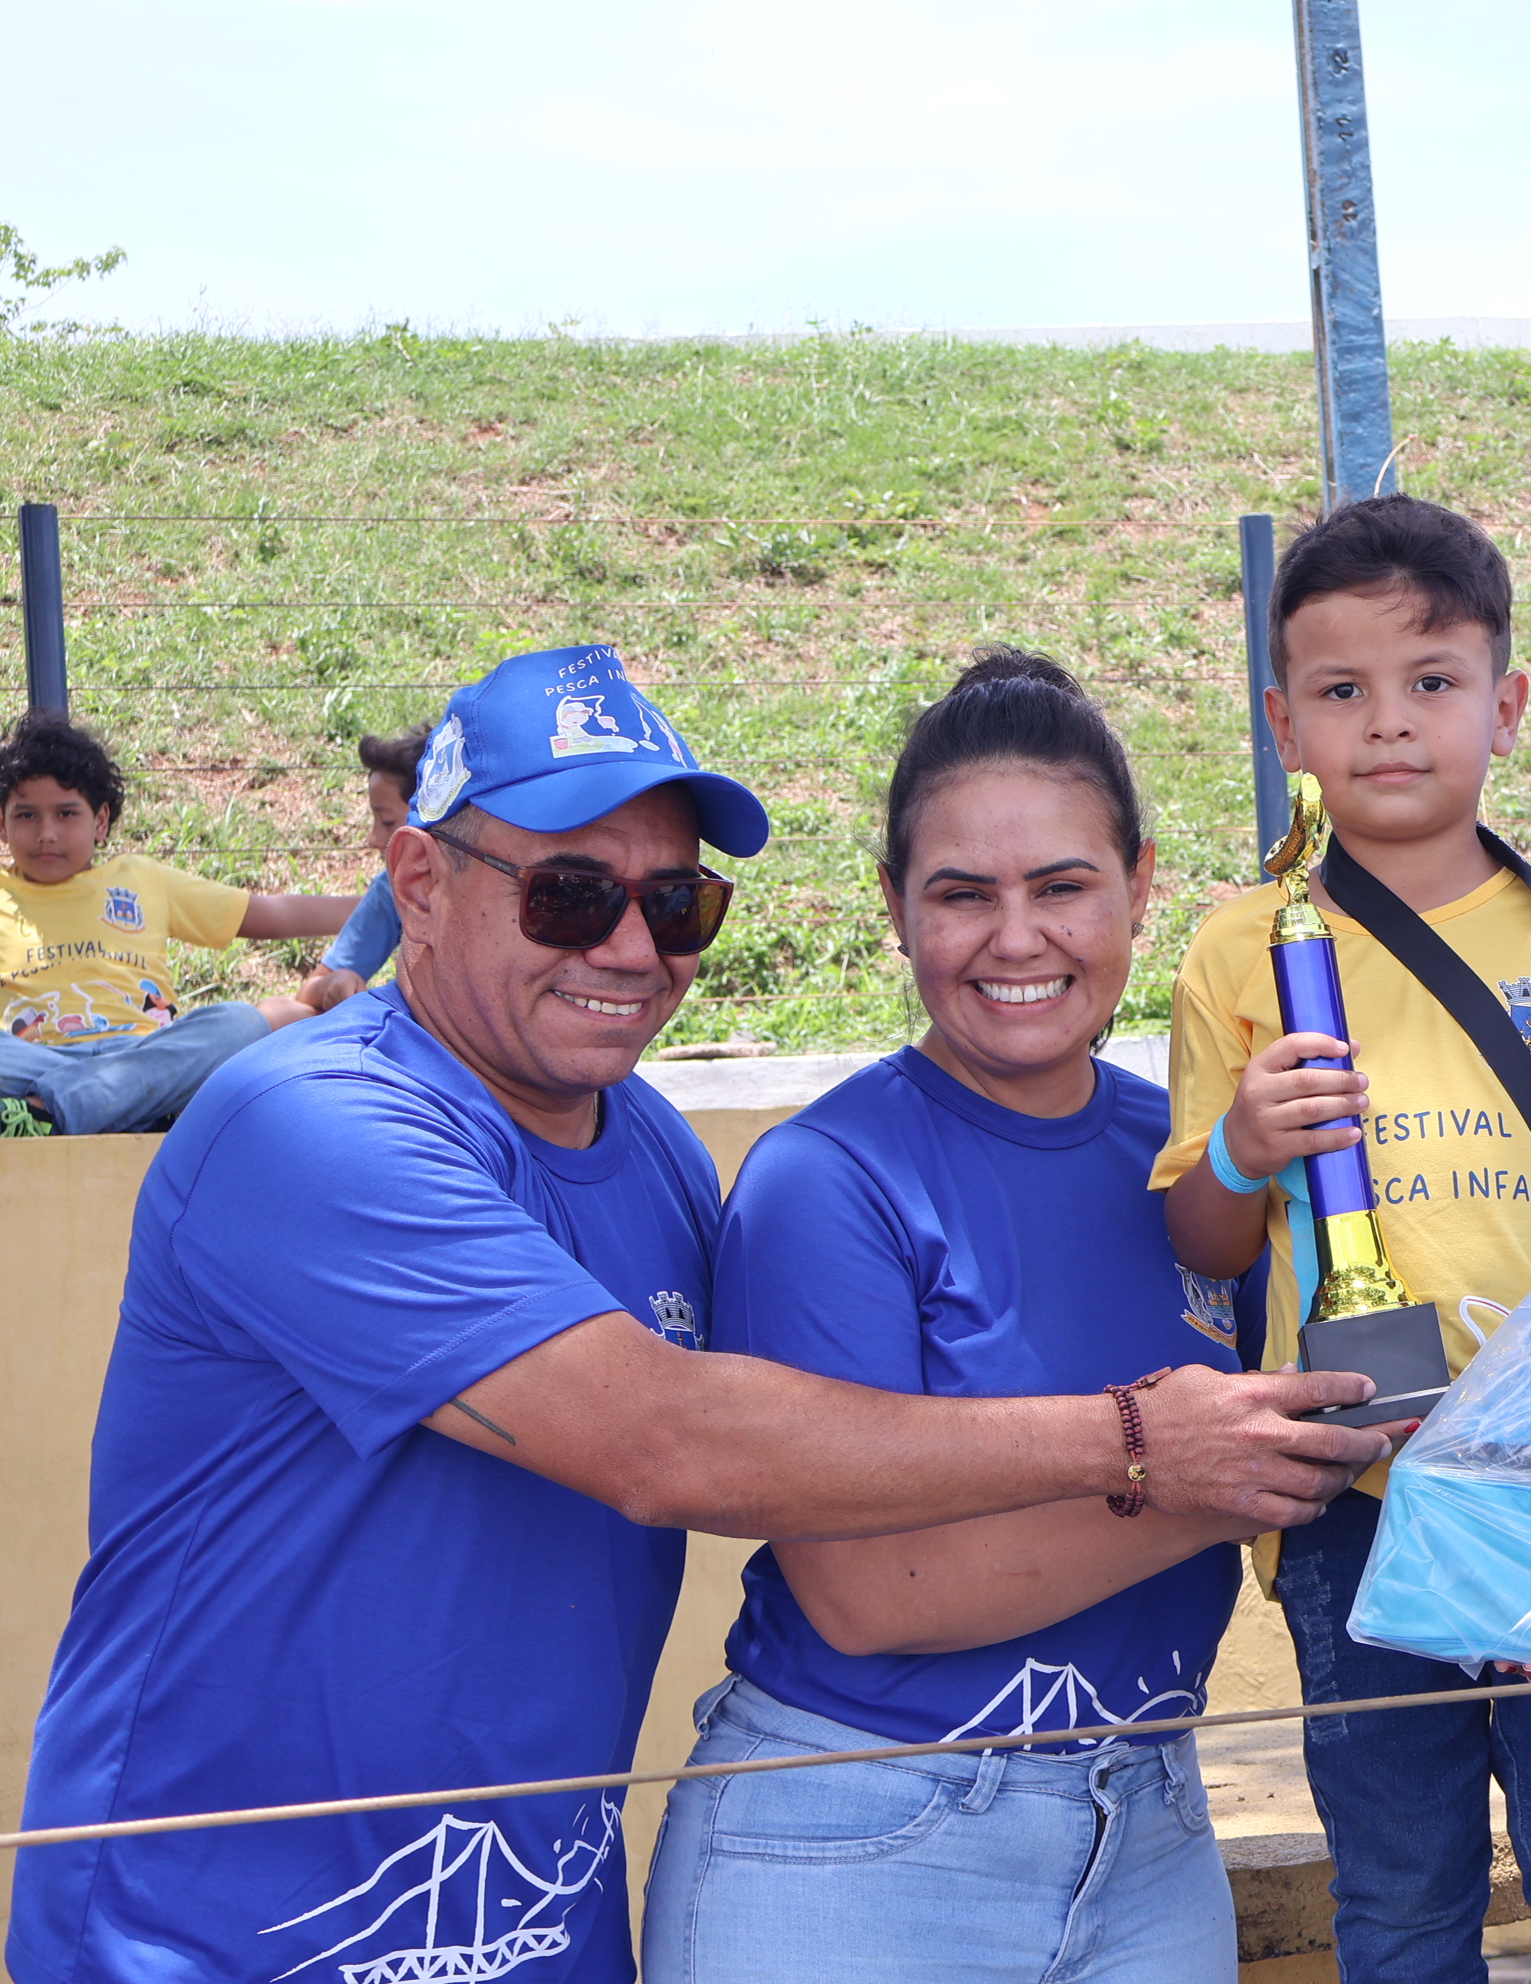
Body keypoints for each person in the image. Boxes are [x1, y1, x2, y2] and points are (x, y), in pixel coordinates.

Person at [9, 644, 1389, 1984]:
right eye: (566, 894)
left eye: (676, 906)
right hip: (222, 1930)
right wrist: (1145, 1444)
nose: (628, 946)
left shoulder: (653, 1146)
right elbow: (667, 1445)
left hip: (535, 1914)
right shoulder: (313, 1123)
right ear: (415, 879)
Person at [642, 648, 1283, 1982]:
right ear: (893, 908)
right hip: (857, 1842)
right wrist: (1233, 1481)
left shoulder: (1200, 1164)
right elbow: (875, 1594)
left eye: (1062, 885)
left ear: (1142, 885)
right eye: (961, 894)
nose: (1017, 938)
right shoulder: (825, 1183)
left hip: (1149, 1824)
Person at [1157, 493, 1531, 1982]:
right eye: (1342, 692)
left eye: (1433, 683)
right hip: (1357, 1490)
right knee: (1399, 1898)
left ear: (1507, 706)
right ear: (1285, 724)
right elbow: (1205, 1240)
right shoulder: (1242, 943)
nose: (1389, 727)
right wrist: (1238, 1146)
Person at [1, 708, 355, 1136]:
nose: (47, 833)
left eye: (66, 814)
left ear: (101, 821)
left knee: (238, 1024)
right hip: (37, 1059)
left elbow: (275, 913)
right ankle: (132, 1108)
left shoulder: (142, 879)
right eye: (26, 815)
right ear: (3, 824)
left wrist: (388, 903)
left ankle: (50, 1111)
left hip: (147, 1048)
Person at [299, 723, 430, 1011]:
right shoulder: (392, 888)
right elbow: (310, 990)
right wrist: (338, 982)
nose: (373, 840)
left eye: (386, 822)